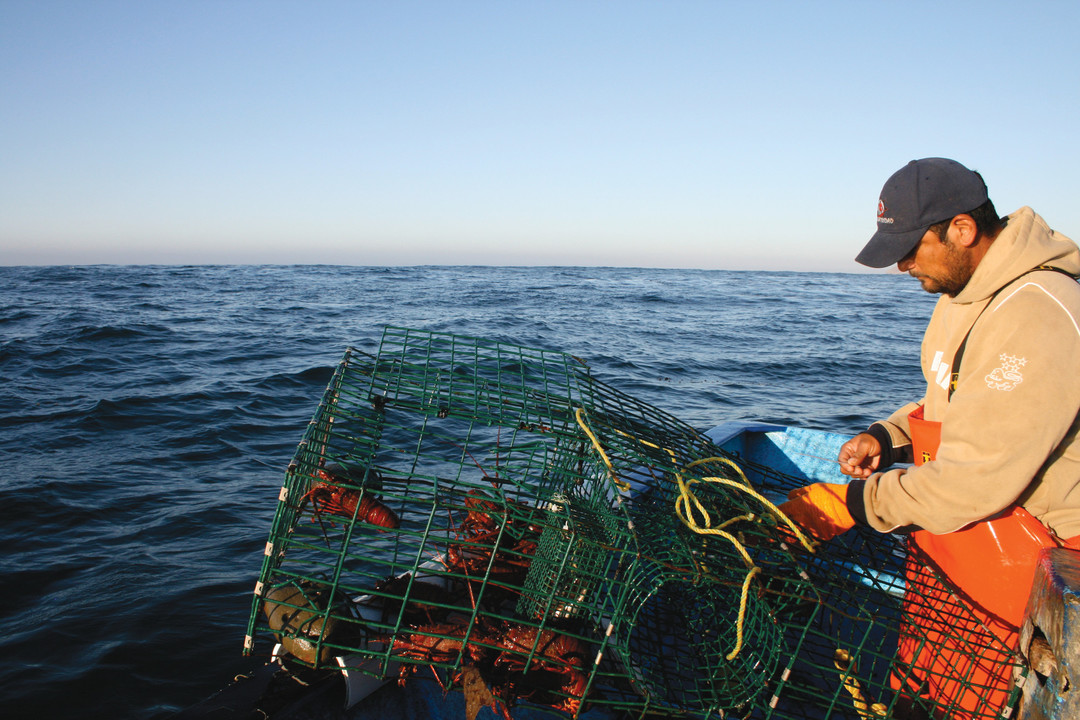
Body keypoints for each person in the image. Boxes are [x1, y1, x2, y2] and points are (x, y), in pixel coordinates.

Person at [779, 157, 1080, 716]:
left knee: (987, 705)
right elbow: (953, 394)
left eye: (911, 248)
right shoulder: (962, 296)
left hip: (1036, 567)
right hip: (958, 551)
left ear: (962, 230)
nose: (902, 266)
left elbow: (973, 480)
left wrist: (852, 505)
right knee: (926, 694)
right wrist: (888, 436)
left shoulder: (1038, 312)